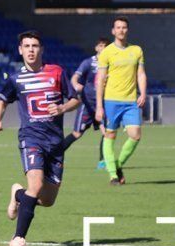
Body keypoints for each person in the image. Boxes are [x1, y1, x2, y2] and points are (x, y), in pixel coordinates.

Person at [0, 31, 80, 246]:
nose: (31, 50)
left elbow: (75, 100)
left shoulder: (57, 72)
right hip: (31, 139)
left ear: (41, 50)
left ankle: (17, 194)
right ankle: (18, 238)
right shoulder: (15, 79)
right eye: (27, 46)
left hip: (55, 142)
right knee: (36, 185)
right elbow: (2, 101)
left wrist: (62, 108)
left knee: (47, 200)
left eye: (35, 46)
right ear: (20, 50)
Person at [95, 17, 146, 186]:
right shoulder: (107, 52)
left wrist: (143, 93)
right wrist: (99, 106)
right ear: (113, 31)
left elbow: (140, 74)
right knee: (110, 135)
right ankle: (113, 176)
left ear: (127, 30)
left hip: (131, 101)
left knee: (135, 135)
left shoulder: (136, 50)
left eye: (124, 27)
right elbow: (100, 79)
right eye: (118, 27)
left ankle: (117, 165)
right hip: (111, 101)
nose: (121, 30)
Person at [61, 37, 110, 169]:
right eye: (100, 45)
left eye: (105, 46)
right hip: (87, 104)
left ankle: (102, 161)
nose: (103, 48)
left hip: (103, 104)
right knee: (77, 134)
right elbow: (74, 78)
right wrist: (78, 86)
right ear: (96, 48)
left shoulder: (111, 64)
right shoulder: (88, 62)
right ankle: (56, 156)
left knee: (106, 133)